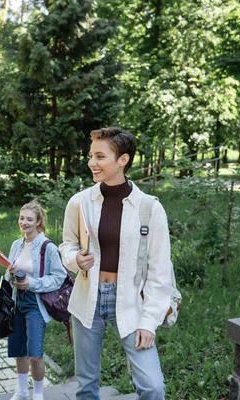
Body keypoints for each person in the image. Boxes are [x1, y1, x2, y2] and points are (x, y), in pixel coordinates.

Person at [60, 127, 172, 399]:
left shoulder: (149, 208)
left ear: (122, 160)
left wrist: (149, 322)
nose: (91, 163)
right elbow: (66, 245)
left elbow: (160, 272)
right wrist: (75, 258)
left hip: (132, 301)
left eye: (100, 156)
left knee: (153, 387)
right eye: (90, 156)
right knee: (86, 385)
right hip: (88, 297)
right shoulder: (80, 202)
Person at [5, 201, 67, 400]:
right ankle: (22, 391)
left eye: (29, 219)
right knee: (19, 351)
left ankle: (38, 393)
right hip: (17, 301)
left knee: (35, 353)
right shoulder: (17, 244)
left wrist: (32, 283)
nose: (24, 222)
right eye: (22, 218)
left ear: (39, 222)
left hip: (35, 304)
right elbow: (9, 276)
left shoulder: (48, 247)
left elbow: (58, 277)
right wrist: (10, 273)